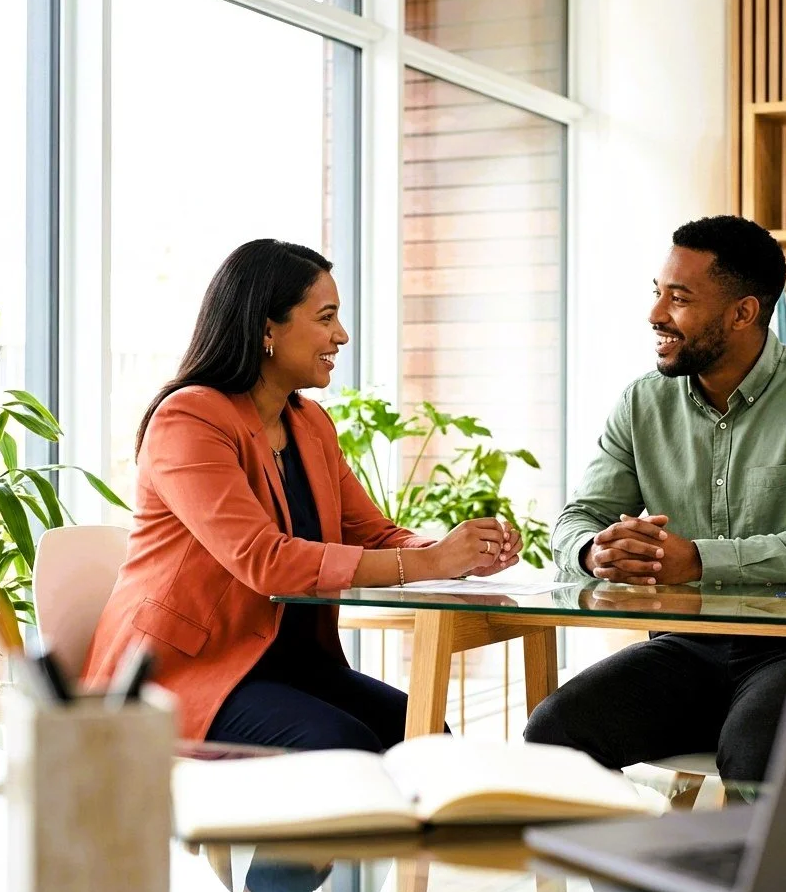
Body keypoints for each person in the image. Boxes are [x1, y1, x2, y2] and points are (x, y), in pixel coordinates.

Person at [524, 215, 786, 892]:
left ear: (743, 312)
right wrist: (595, 550)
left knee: (753, 751)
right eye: (658, 293)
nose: (657, 314)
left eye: (679, 298)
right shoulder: (640, 404)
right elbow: (574, 521)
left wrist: (702, 559)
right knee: (552, 736)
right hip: (687, 652)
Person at [83, 239, 521, 750]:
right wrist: (432, 565)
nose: (342, 335)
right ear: (266, 328)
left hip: (285, 665)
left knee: (426, 734)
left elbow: (372, 533)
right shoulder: (190, 417)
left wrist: (457, 554)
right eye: (326, 318)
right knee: (345, 745)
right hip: (179, 675)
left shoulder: (309, 423)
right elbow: (264, 560)